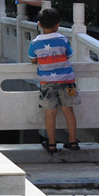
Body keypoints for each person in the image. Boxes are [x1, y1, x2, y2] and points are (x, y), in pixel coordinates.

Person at [28, 8, 79, 153]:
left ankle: (51, 144)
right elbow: (68, 55)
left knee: (50, 112)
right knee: (69, 110)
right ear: (58, 24)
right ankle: (73, 142)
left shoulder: (35, 43)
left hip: (47, 82)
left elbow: (33, 60)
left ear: (39, 24)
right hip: (67, 81)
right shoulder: (63, 40)